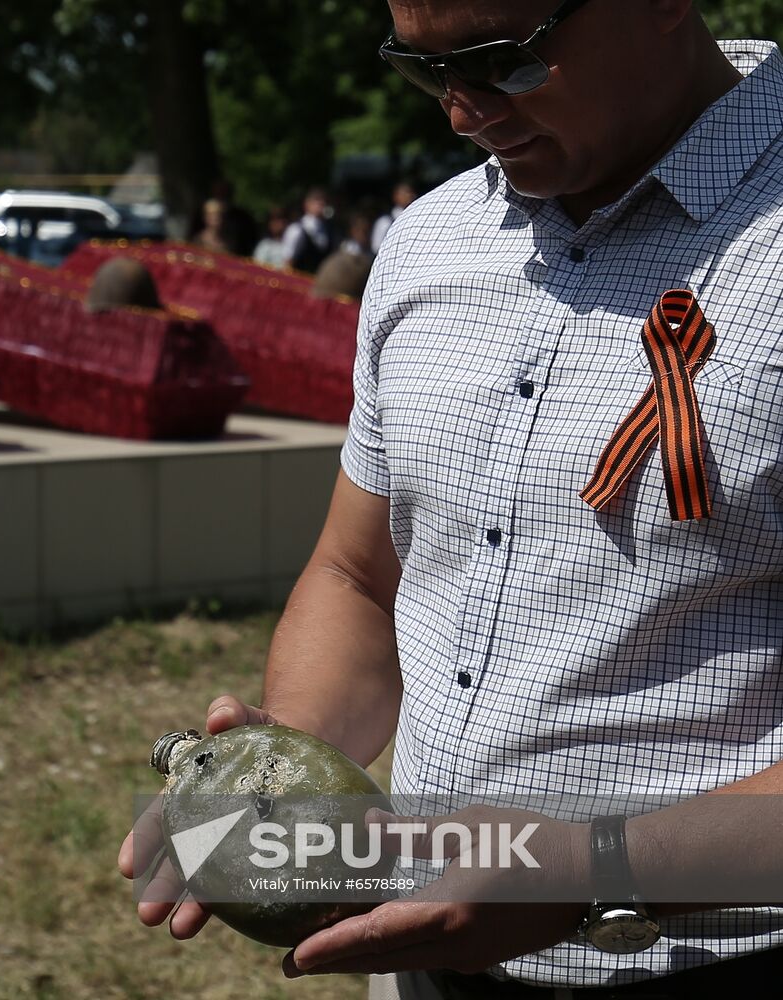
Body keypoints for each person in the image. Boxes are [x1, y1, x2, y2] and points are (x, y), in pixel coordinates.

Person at [121, 1, 783, 995]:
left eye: (502, 62)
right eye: (424, 70)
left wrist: (586, 873)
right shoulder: (428, 244)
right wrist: (288, 787)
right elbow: (360, 577)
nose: (461, 113)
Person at [282, 186, 335, 273]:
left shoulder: (328, 230)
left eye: (324, 202)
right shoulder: (296, 229)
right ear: (307, 204)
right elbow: (288, 261)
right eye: (317, 201)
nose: (321, 205)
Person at [371, 179, 417, 254]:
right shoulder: (384, 222)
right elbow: (376, 247)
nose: (411, 196)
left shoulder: (416, 218)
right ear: (396, 196)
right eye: (406, 192)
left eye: (412, 192)